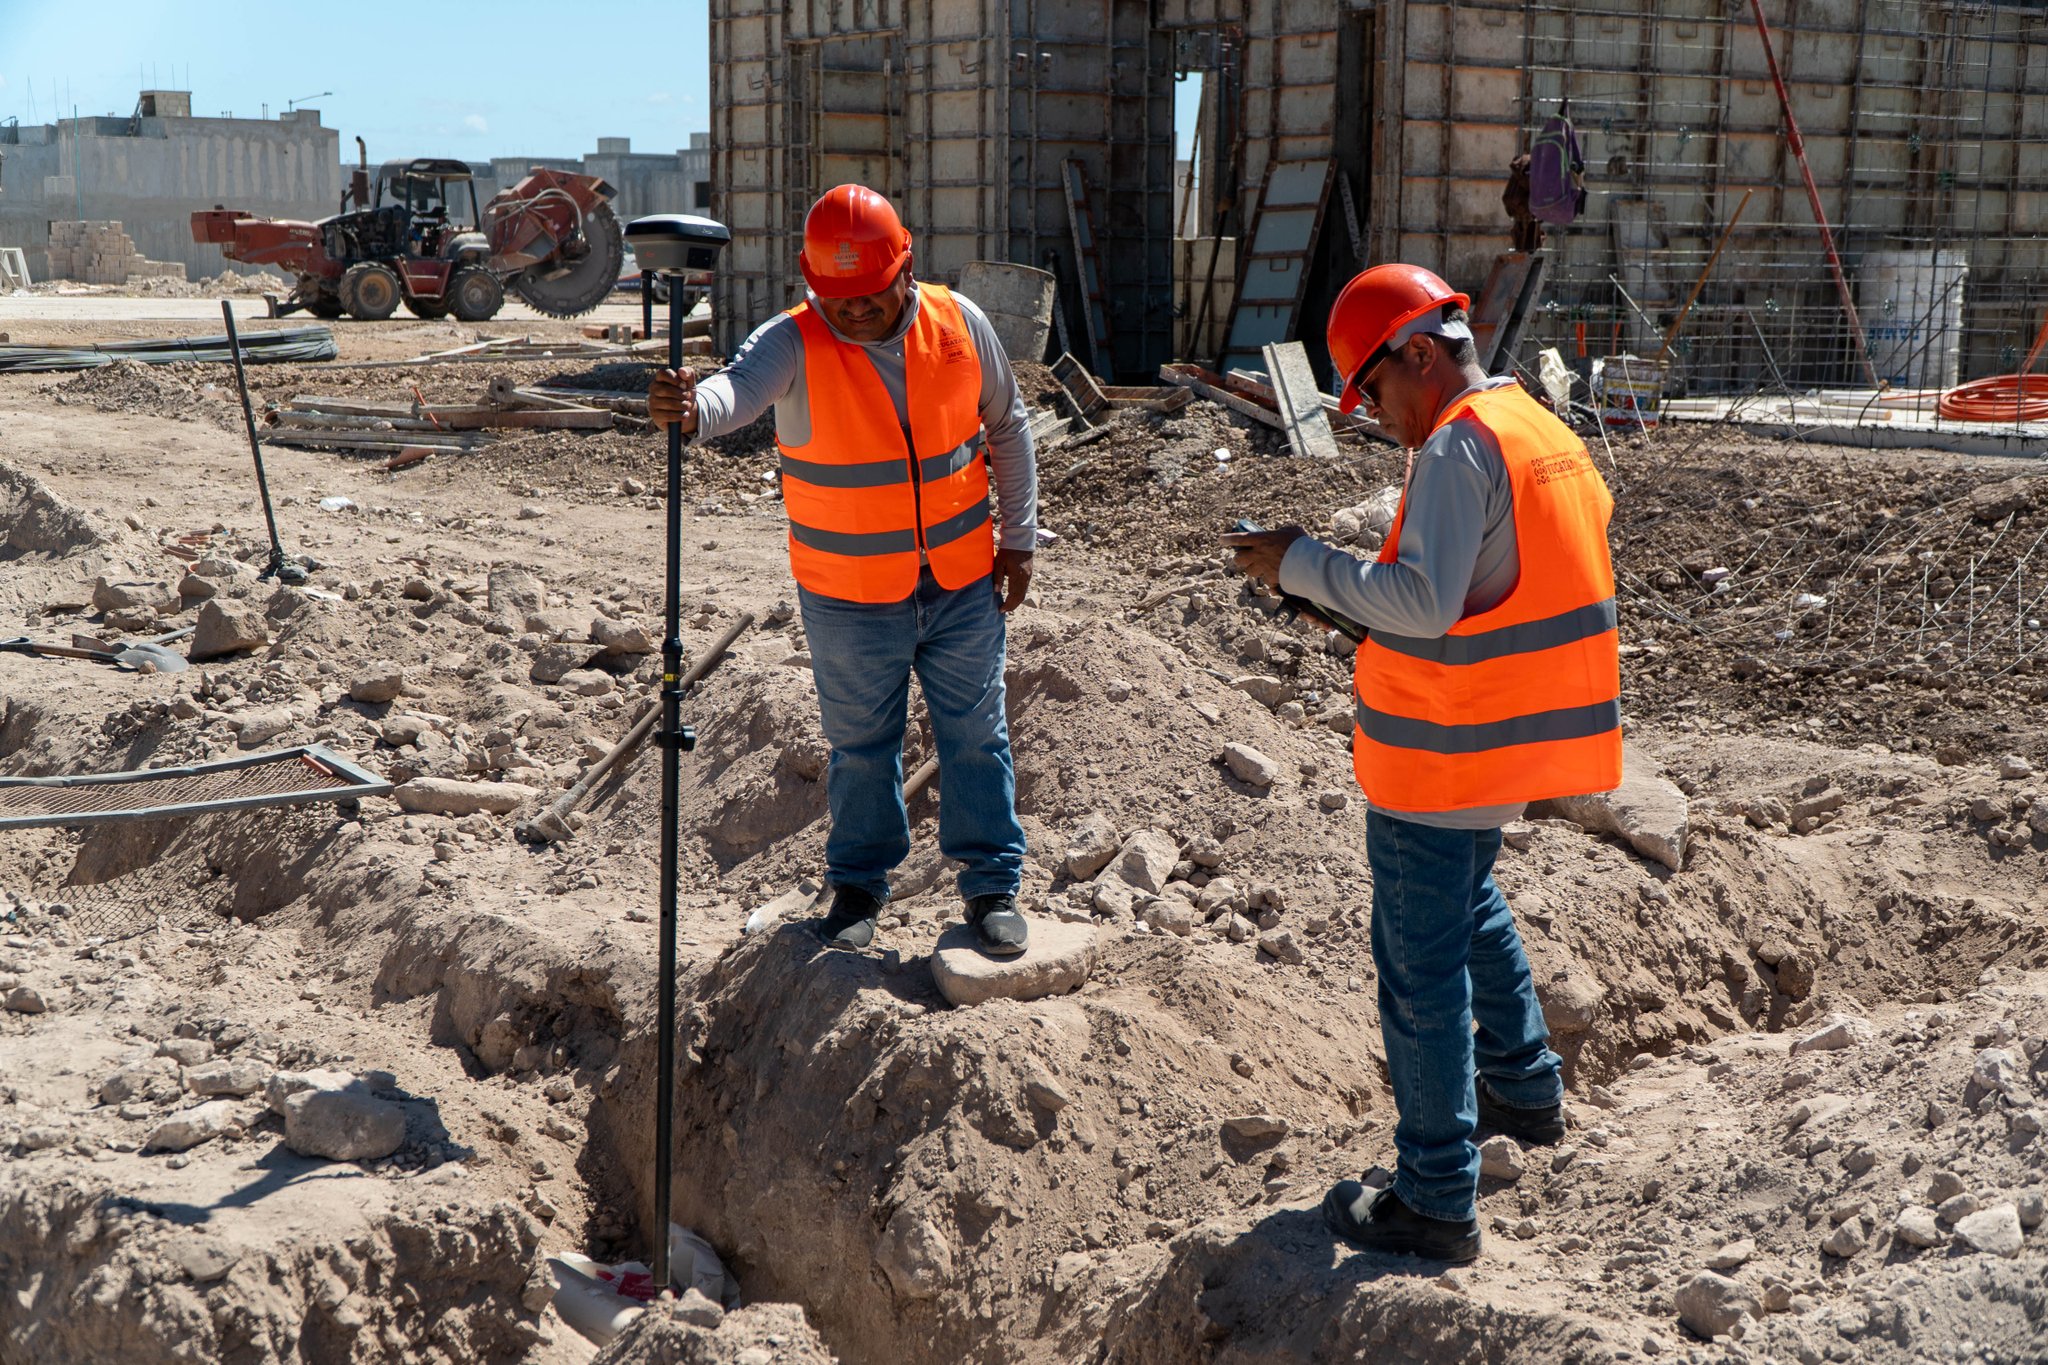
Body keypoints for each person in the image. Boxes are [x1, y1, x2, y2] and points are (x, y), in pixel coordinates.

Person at [1224, 263, 1621, 1263]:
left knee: (1417, 972)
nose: (1371, 413)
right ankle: (1524, 1092)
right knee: (1469, 901)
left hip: (1442, 751)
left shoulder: (1453, 449)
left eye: (1371, 390)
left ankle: (1435, 1196)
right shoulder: (1538, 429)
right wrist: (1345, 596)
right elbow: (1508, 580)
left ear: (1413, 354)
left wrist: (1299, 563)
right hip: (1513, 738)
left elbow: (1424, 602)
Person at [648, 184, 1037, 958]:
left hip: (962, 578)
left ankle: (991, 885)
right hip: (850, 595)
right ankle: (859, 886)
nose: (853, 313)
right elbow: (736, 390)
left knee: (976, 737)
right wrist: (691, 408)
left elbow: (1008, 424)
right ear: (808, 280)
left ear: (906, 266)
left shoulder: (963, 323)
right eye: (835, 298)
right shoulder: (792, 338)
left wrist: (1019, 538)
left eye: (868, 296)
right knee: (862, 746)